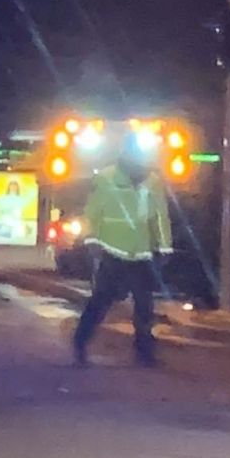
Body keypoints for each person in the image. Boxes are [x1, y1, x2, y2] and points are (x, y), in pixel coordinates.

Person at [71, 133, 173, 368]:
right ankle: (80, 341)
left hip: (142, 253)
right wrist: (92, 240)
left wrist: (164, 246)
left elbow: (160, 216)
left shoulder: (153, 182)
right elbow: (93, 212)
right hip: (113, 250)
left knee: (144, 306)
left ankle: (144, 352)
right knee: (101, 301)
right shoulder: (106, 179)